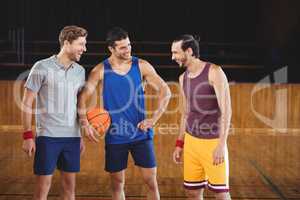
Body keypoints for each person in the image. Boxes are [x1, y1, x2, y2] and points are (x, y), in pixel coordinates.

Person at [78, 27, 171, 200]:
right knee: (117, 184)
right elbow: (82, 98)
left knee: (151, 181)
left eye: (128, 45)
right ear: (111, 49)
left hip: (141, 135)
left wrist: (154, 119)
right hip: (115, 136)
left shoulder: (142, 66)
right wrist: (85, 123)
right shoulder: (100, 70)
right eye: (122, 47)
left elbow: (165, 91)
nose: (127, 49)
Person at [21, 25, 87, 200]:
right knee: (43, 188)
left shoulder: (80, 72)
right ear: (67, 43)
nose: (84, 49)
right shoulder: (41, 67)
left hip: (72, 138)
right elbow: (27, 102)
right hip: (47, 137)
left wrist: (79, 135)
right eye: (81, 44)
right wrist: (28, 136)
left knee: (69, 189)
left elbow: (78, 104)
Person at [171, 35, 232, 200]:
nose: (173, 57)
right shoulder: (182, 78)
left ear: (189, 51)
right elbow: (185, 113)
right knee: (192, 192)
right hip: (191, 143)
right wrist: (179, 143)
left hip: (212, 143)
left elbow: (226, 111)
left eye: (176, 53)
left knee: (221, 194)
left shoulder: (214, 72)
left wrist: (221, 144)